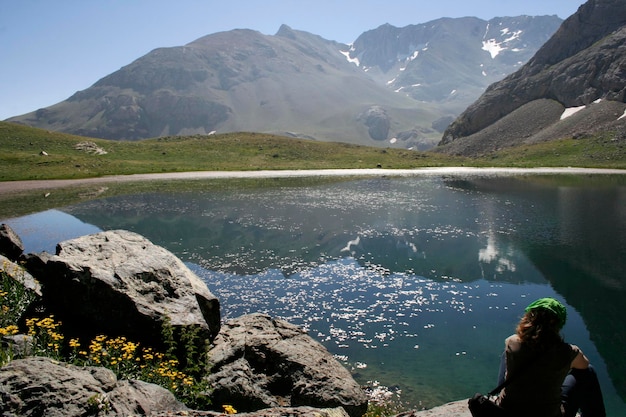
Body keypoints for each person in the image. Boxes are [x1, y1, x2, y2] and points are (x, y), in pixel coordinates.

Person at [495, 297, 606, 417]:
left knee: (505, 355)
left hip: (507, 411)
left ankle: (501, 396)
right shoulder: (568, 352)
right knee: (589, 372)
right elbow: (584, 365)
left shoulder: (512, 342)